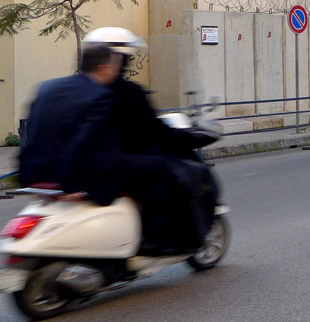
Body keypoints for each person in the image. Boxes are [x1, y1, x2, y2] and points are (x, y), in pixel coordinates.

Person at [85, 27, 213, 253]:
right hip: (116, 162)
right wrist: (187, 139)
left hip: (81, 164)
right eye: (127, 58)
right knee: (166, 173)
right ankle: (154, 239)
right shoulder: (127, 91)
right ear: (117, 59)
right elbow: (153, 130)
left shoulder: (76, 88)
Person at [17, 42, 125, 206]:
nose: (116, 72)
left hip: (32, 174)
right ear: (103, 68)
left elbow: (33, 131)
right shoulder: (101, 95)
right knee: (157, 172)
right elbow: (82, 142)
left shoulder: (47, 87)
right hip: (64, 180)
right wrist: (69, 186)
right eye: (114, 67)